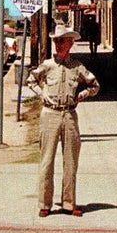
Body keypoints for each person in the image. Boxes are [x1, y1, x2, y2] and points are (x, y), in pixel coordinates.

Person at [25, 25, 100, 218]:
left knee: (71, 161)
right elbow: (30, 81)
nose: (58, 45)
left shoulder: (77, 67)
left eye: (62, 41)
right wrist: (42, 95)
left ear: (71, 43)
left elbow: (94, 85)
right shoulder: (48, 65)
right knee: (47, 160)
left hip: (69, 115)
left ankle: (68, 203)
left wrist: (83, 94)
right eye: (56, 41)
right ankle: (45, 204)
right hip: (49, 115)